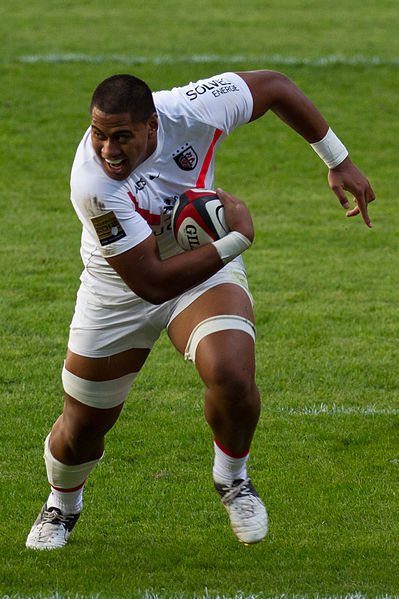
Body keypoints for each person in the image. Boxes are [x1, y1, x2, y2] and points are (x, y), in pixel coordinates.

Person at [26, 69, 375, 550]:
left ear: (153, 125)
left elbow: (274, 86)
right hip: (121, 286)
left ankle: (233, 478)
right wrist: (235, 240)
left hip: (200, 267)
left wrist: (337, 160)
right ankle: (61, 504)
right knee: (82, 427)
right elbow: (149, 282)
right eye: (99, 135)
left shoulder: (192, 109)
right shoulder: (92, 184)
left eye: (121, 137)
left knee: (231, 371)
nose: (107, 150)